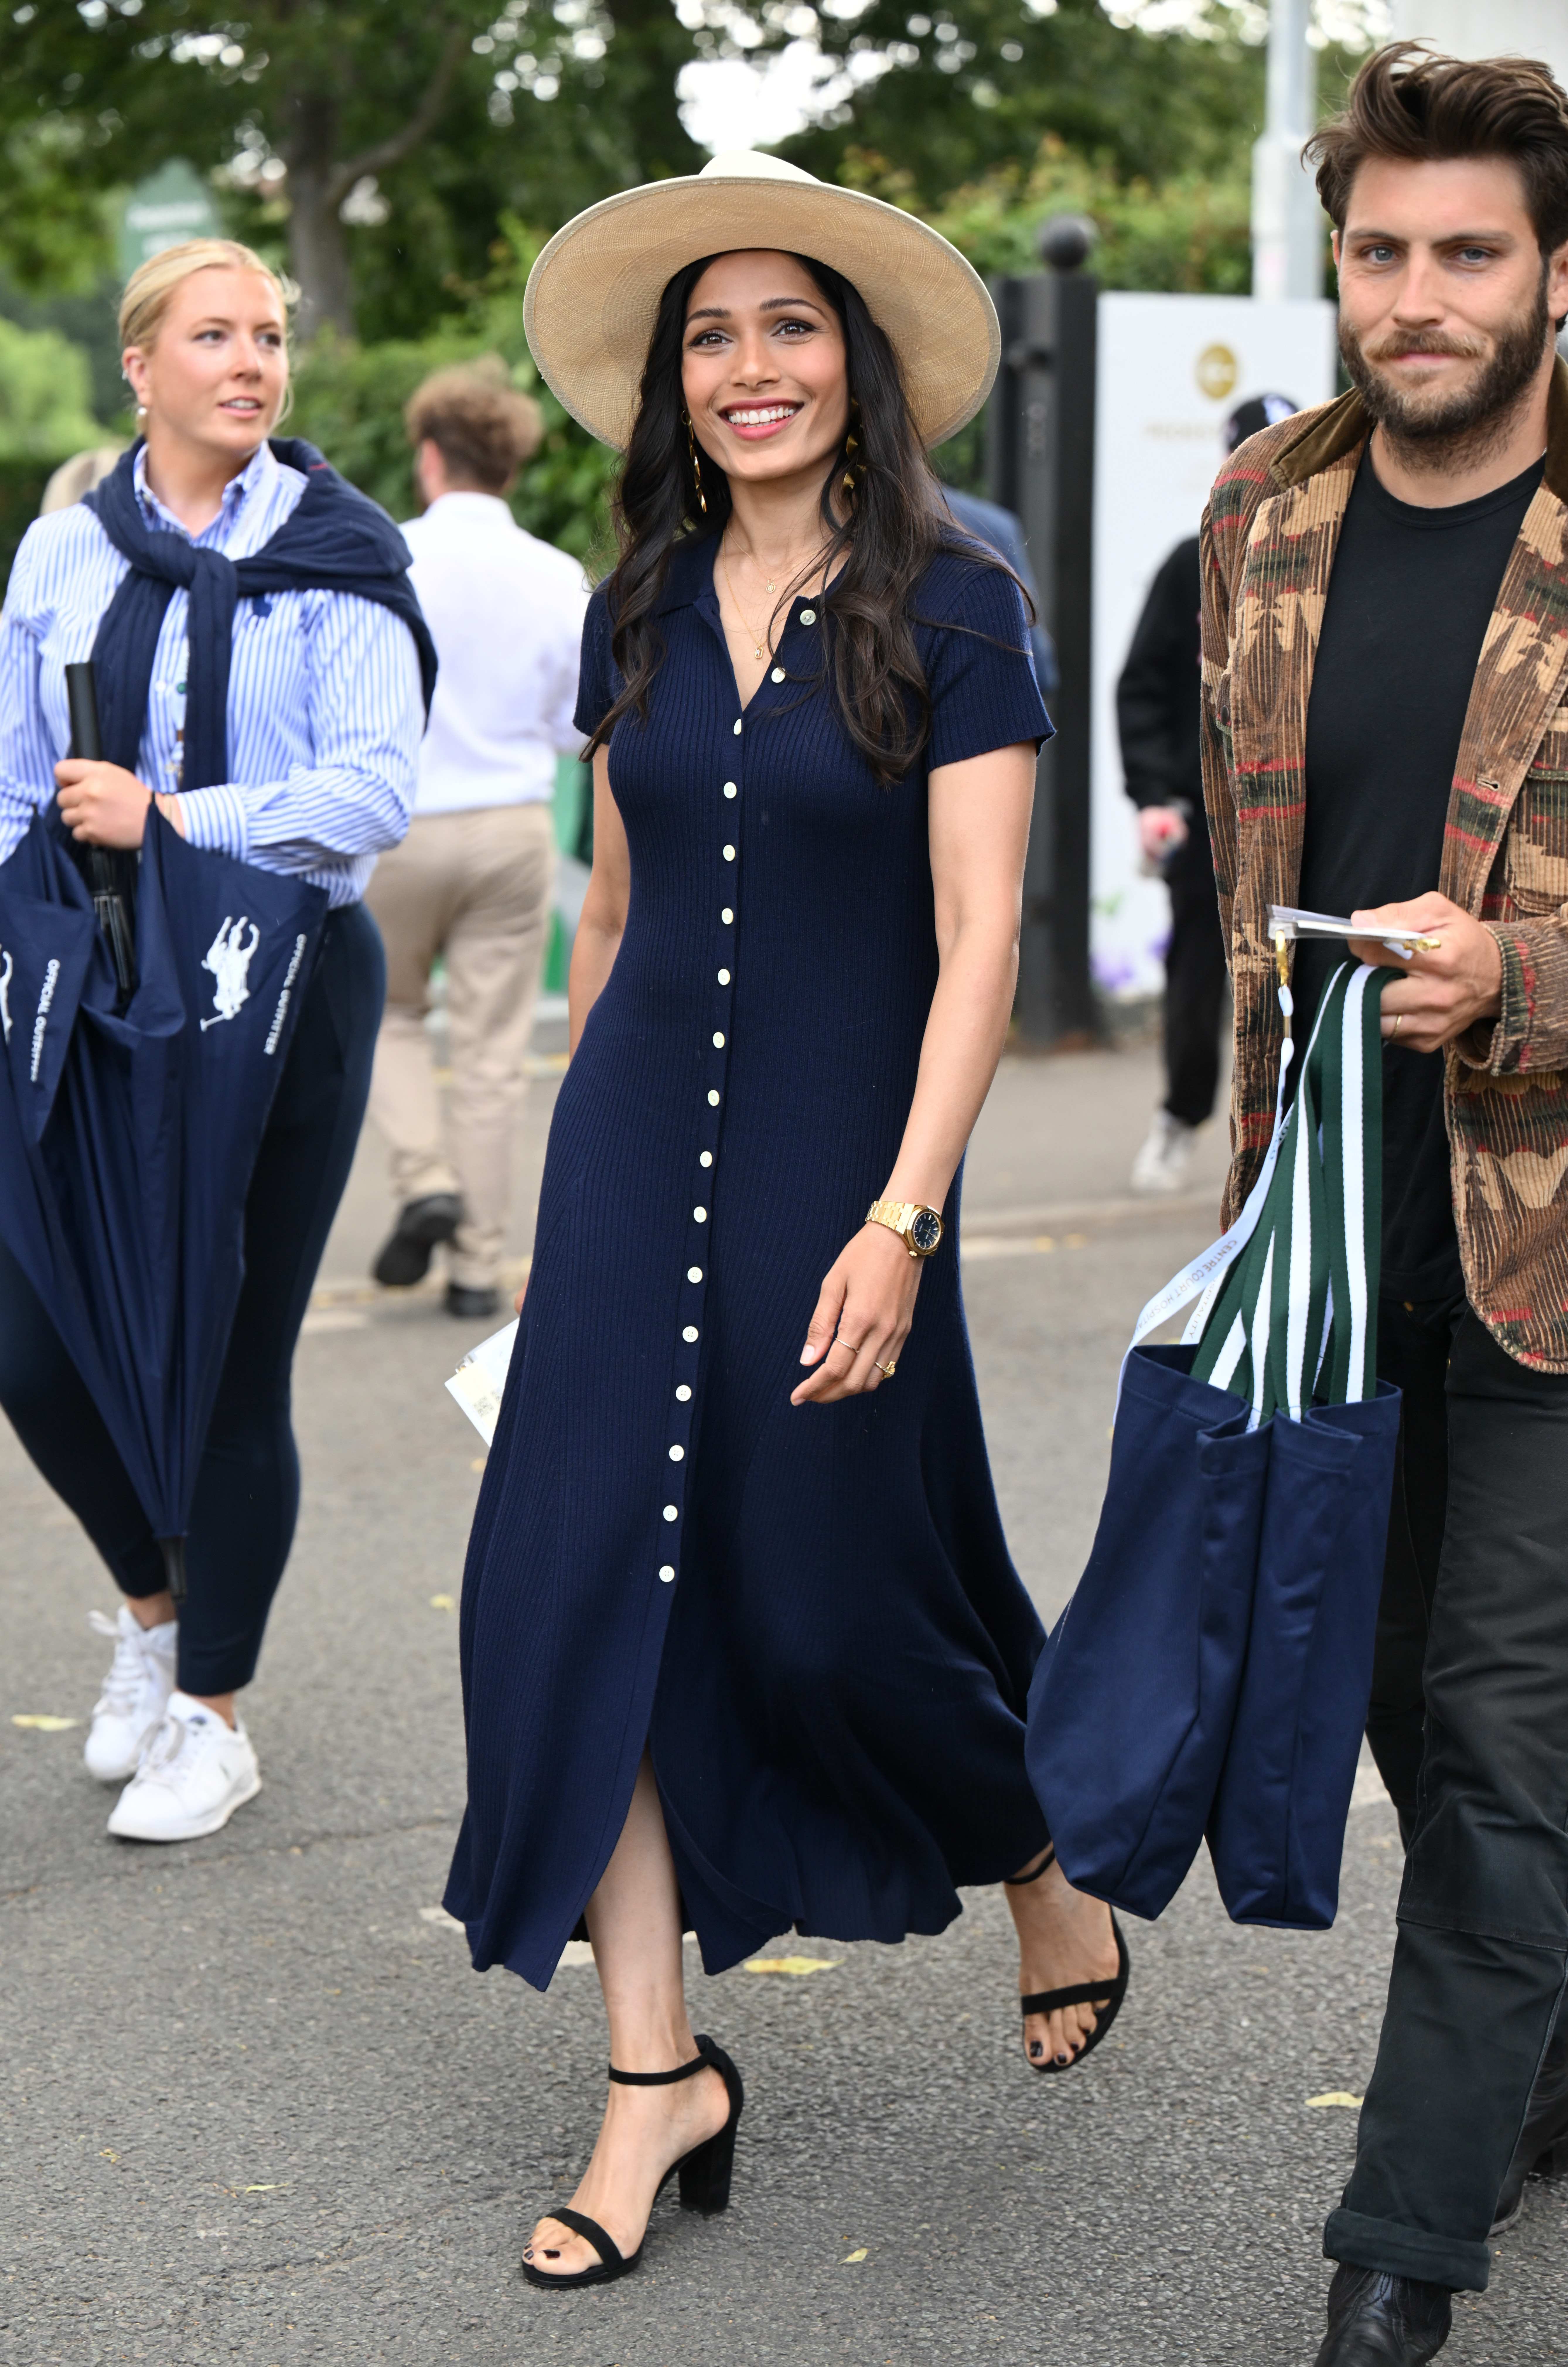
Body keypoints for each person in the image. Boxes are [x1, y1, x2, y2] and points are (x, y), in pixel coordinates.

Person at [444, 148, 1128, 2293]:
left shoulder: (958, 602)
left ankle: (1026, 1848)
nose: (750, 367)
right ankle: (652, 2075)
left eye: (789, 326)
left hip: (847, 1165)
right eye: (711, 335)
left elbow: (979, 935)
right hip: (628, 1150)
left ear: (854, 362)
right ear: (674, 378)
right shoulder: (634, 600)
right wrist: (558, 1199)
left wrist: (902, 1218)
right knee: (579, 1603)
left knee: (833, 1606)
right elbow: (611, 910)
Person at [1200, 47, 1568, 2363]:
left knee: (1505, 1733)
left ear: (1555, 275)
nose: (1414, 297)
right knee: (1385, 1691)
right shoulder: (1263, 507)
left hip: (1555, 1240)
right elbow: (1241, 861)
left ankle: (1395, 2258)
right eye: (1377, 252)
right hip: (1331, 1228)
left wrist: (1514, 970)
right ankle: (1530, 2056)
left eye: (1465, 254)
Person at [0, 238, 428, 1844]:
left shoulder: (339, 548)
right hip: (87, 977)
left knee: (232, 1353)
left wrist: (174, 819)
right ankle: (154, 1614)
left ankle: (215, 1713)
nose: (250, 362)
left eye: (268, 337)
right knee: (33, 1339)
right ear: (140, 367)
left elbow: (370, 793)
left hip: (279, 980)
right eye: (212, 336)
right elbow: (13, 775)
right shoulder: (64, 552)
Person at [366, 363, 588, 1321]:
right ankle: (475, 1270)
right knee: (494, 1055)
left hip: (398, 821)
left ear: (428, 457)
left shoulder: (385, 561)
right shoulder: (555, 575)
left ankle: (424, 1180)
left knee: (387, 1014)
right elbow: (579, 727)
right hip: (511, 827)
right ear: (511, 466)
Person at [1124, 394, 1297, 1194]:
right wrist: (1155, 794)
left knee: (1303, 986)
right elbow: (1142, 687)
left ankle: (1297, 1143)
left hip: (1302, 820)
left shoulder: (1330, 560)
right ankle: (1181, 1117)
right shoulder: (1186, 566)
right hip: (1208, 819)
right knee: (1200, 980)